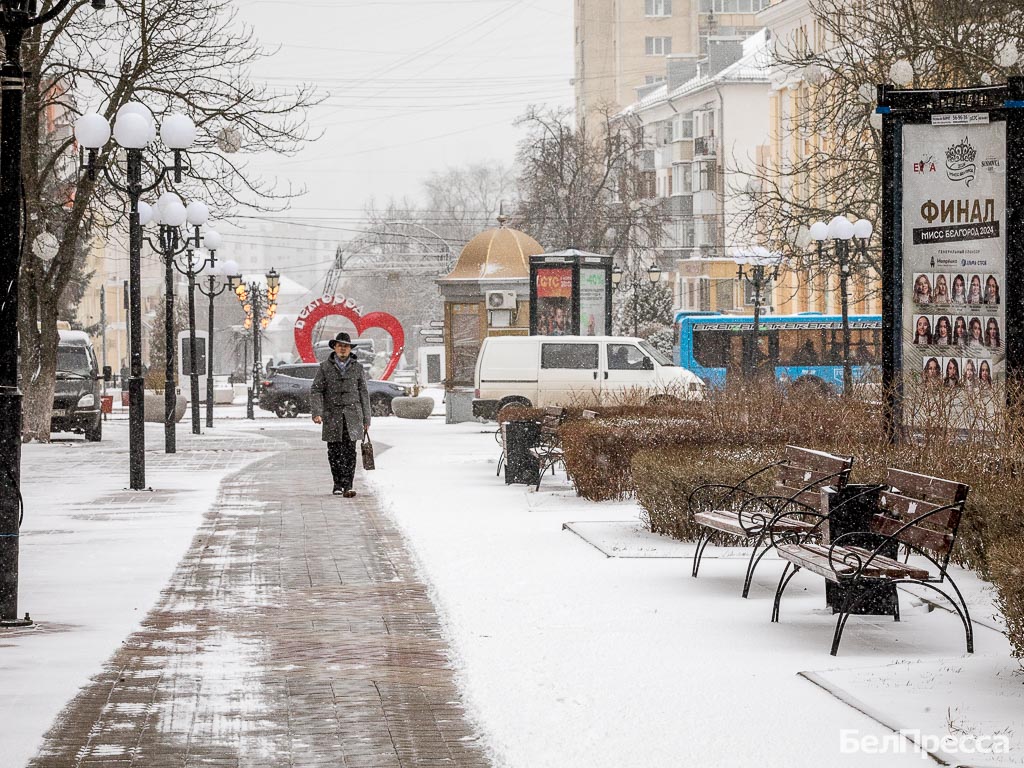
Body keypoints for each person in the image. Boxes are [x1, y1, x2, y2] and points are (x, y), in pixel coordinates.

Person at [310, 332, 372, 497]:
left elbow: (363, 393)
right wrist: (317, 412)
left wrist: (367, 418)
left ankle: (348, 484)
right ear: (335, 348)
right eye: (340, 346)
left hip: (353, 415)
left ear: (350, 349)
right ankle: (337, 483)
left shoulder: (358, 368)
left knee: (350, 451)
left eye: (346, 346)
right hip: (332, 415)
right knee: (334, 451)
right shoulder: (324, 367)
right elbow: (316, 390)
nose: (343, 349)